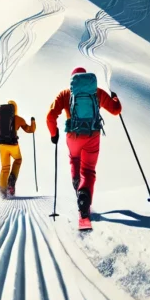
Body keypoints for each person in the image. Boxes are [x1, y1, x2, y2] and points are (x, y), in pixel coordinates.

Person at [46, 67, 122, 224]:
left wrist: (54, 134)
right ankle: (84, 200)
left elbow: (50, 116)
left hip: (72, 136)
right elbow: (116, 111)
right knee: (88, 171)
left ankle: (76, 182)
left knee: (74, 158)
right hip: (92, 135)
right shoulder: (97, 93)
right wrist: (115, 99)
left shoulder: (65, 94)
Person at [0, 100, 36, 198]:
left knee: (5, 168)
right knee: (18, 159)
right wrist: (33, 122)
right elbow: (30, 130)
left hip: (2, 146)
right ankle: (11, 181)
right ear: (15, 109)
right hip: (13, 145)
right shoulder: (18, 119)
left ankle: (2, 190)